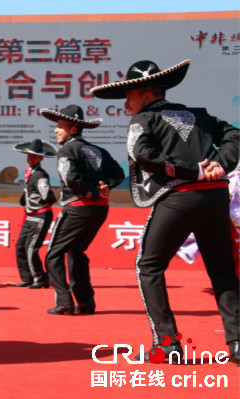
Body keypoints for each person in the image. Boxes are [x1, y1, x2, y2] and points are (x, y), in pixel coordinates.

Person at [91, 59, 240, 364]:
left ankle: (168, 344)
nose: (126, 105)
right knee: (222, 269)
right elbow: (235, 136)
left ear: (146, 93)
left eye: (129, 97)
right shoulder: (199, 115)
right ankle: (237, 344)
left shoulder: (143, 119)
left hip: (179, 198)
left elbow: (142, 155)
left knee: (148, 266)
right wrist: (220, 164)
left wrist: (189, 172)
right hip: (215, 198)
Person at [39, 105, 125, 315]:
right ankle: (86, 301)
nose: (56, 130)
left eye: (60, 125)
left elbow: (71, 178)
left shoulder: (66, 151)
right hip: (99, 211)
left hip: (78, 208)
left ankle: (65, 301)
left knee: (53, 255)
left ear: (74, 127)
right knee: (76, 252)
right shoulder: (98, 150)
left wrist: (92, 193)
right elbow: (119, 173)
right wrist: (104, 188)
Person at [12, 139, 58, 288]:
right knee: (20, 246)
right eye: (28, 155)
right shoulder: (30, 173)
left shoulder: (40, 175)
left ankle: (41, 278)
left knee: (31, 247)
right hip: (31, 216)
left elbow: (48, 197)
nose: (29, 159)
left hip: (40, 216)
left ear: (41, 158)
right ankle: (28, 278)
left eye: (33, 156)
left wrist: (37, 202)